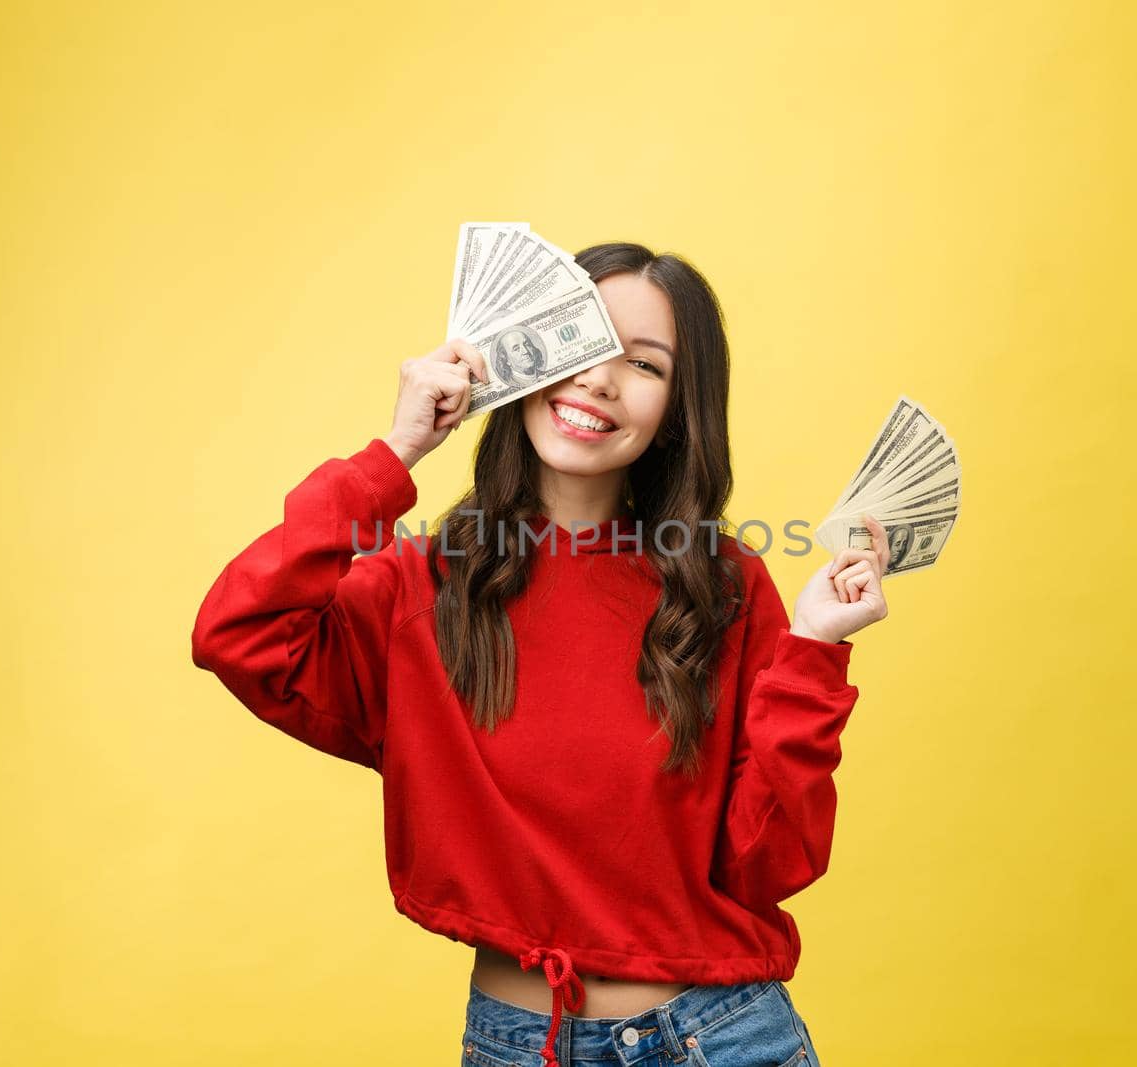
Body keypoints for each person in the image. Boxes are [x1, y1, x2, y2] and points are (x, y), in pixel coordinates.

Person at [191, 243, 892, 1067]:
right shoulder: (425, 584)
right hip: (524, 1044)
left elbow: (770, 860)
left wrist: (811, 649)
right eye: (581, 341)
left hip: (720, 1038)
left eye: (643, 364)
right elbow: (236, 631)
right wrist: (395, 454)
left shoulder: (725, 587)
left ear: (676, 407)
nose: (599, 379)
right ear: (522, 352)